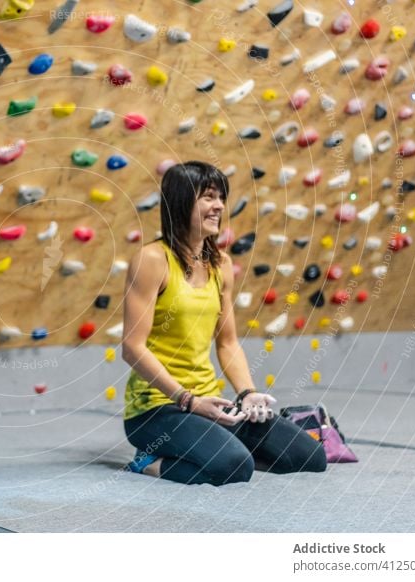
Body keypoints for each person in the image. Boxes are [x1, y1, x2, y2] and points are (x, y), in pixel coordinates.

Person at [121, 161, 327, 485]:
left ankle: (217, 447)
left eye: (220, 197)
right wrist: (188, 401)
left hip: (210, 403)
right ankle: (148, 461)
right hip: (157, 409)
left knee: (308, 456)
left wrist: (247, 394)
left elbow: (227, 342)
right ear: (180, 202)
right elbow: (133, 348)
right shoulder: (151, 260)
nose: (219, 206)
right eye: (208, 197)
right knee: (233, 467)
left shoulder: (221, 264)